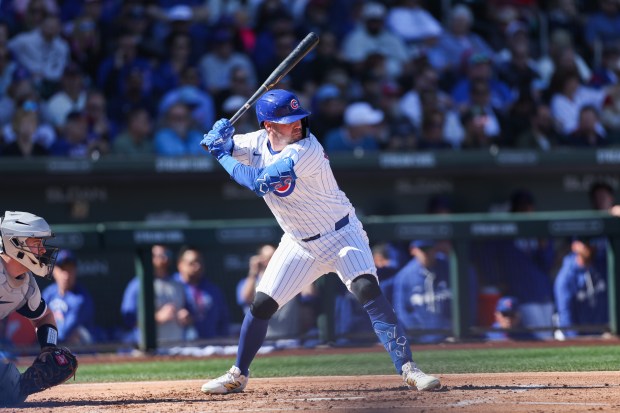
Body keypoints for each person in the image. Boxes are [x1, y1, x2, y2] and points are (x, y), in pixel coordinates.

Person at [199, 89, 440, 394]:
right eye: (288, 121)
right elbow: (231, 146)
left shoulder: (306, 150)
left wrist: (220, 153)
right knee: (261, 305)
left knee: (366, 288)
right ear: (268, 126)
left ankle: (410, 370)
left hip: (341, 235)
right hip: (299, 243)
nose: (297, 124)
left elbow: (258, 183)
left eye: (299, 118)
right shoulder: (256, 142)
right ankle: (237, 374)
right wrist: (218, 138)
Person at [0, 211, 78, 406]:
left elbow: (44, 317)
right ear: (14, 243)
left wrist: (48, 348)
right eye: (37, 243)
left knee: (59, 363)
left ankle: (15, 390)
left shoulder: (27, 285)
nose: (43, 251)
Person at [237, 244, 317, 342]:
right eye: (266, 258)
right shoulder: (250, 281)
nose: (270, 261)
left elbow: (309, 294)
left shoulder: (291, 278)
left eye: (273, 257)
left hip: (290, 339)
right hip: (263, 342)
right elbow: (246, 298)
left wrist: (301, 266)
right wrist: (253, 271)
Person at [120, 245, 191, 345]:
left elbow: (190, 312)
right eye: (159, 255)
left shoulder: (178, 284)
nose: (164, 259)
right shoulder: (137, 284)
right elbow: (129, 319)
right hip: (148, 347)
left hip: (177, 345)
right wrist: (157, 318)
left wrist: (185, 316)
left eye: (166, 254)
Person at [554, 238, 608, 340]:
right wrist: (575, 340)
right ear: (574, 246)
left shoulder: (603, 266)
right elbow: (565, 313)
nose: (588, 247)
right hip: (581, 335)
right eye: (584, 243)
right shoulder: (566, 276)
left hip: (604, 333)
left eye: (589, 243)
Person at [173, 245, 229, 340]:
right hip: (177, 346)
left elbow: (223, 319)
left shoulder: (212, 289)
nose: (197, 266)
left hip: (210, 346)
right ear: (180, 265)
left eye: (199, 262)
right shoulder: (171, 287)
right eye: (192, 263)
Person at [42, 249, 96, 344]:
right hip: (54, 346)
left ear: (75, 271)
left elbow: (63, 334)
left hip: (79, 351)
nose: (66, 275)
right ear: (53, 271)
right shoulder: (48, 293)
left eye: (69, 269)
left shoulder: (80, 299)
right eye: (62, 269)